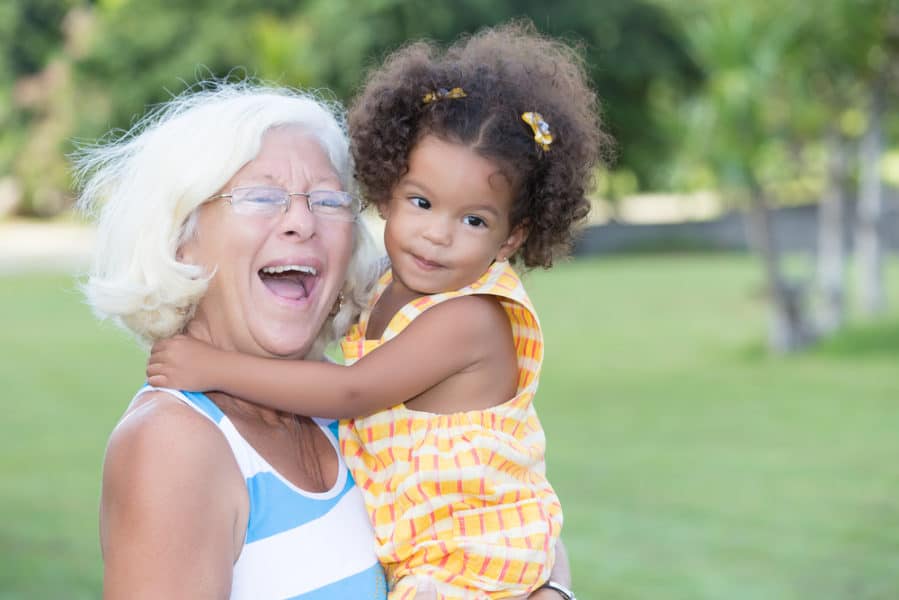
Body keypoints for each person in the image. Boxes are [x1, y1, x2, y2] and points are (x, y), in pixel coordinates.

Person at [148, 22, 603, 600]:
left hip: (470, 561)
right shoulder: (391, 284)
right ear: (387, 192)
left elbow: (350, 392)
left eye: (474, 221)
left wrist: (211, 368)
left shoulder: (471, 317)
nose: (437, 235)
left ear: (511, 239)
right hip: (431, 551)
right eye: (421, 203)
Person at [76, 83, 389, 598]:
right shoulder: (175, 444)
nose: (302, 222)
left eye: (328, 200)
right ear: (182, 241)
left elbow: (511, 517)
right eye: (262, 197)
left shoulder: (359, 404)